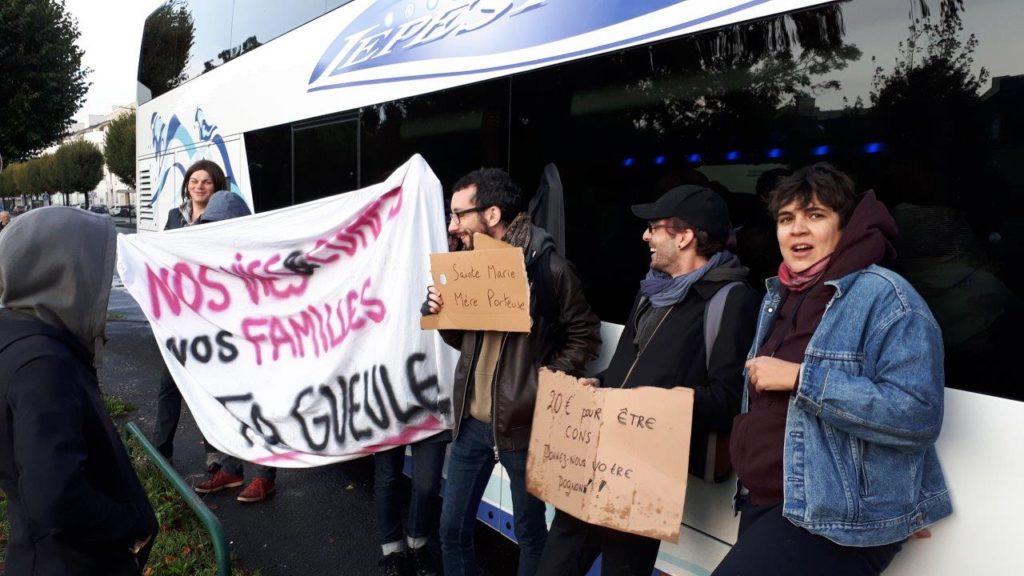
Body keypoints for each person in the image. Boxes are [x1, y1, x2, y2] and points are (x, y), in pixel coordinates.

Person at [714, 163, 952, 576]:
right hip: (771, 500)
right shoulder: (780, 295)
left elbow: (917, 413)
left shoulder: (887, 298)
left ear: (844, 227)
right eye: (787, 219)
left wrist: (801, 379)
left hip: (831, 517)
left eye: (816, 215)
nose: (798, 229)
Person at [536, 185, 761, 576]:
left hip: (645, 474)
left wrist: (656, 404)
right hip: (597, 458)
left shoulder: (732, 297)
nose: (645, 236)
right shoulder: (651, 290)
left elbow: (728, 399)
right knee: (555, 565)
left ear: (685, 236)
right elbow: (630, 367)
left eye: (655, 227)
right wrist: (599, 383)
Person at [423, 168, 601, 576]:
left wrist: (543, 381)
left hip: (524, 425)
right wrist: (442, 313)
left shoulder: (547, 266)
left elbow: (585, 335)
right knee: (451, 530)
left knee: (530, 533)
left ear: (491, 214)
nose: (452, 227)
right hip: (472, 423)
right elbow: (462, 340)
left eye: (458, 215)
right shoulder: (468, 266)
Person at [0, 207, 159, 575]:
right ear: (68, 273)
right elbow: (54, 495)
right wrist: (126, 526)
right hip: (74, 562)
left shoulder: (19, 337)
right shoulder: (43, 364)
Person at [180, 189, 279, 502]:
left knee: (259, 411)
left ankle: (265, 476)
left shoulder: (260, 255)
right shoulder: (206, 255)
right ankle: (231, 469)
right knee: (224, 408)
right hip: (219, 349)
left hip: (255, 348)